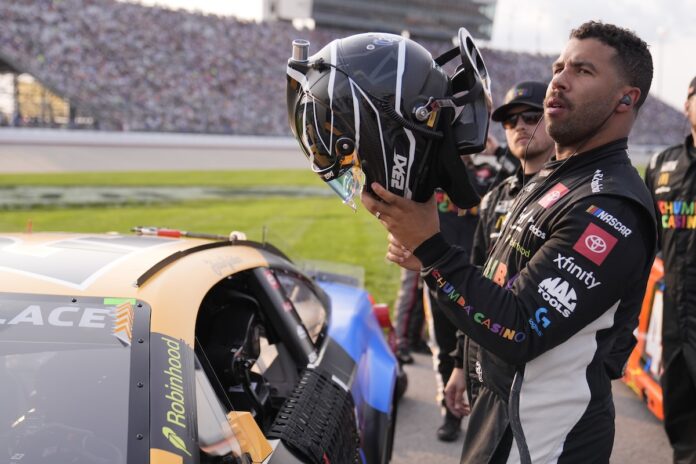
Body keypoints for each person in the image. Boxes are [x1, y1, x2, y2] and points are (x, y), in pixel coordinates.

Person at [363, 21, 657, 463]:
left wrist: (432, 248)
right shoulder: (548, 180)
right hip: (501, 412)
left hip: (547, 438)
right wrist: (430, 262)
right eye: (558, 67)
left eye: (582, 71)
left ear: (626, 99)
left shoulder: (611, 205)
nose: (559, 80)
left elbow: (519, 326)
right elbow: (497, 287)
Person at [444, 81, 556, 420]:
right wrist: (459, 364)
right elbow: (476, 283)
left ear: (553, 116)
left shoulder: (570, 193)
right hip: (487, 365)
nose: (519, 126)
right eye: (510, 121)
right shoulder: (495, 197)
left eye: (531, 117)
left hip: (542, 371)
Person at [430, 135, 518, 441]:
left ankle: (483, 411)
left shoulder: (489, 174)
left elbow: (524, 172)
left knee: (480, 345)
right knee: (444, 347)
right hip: (438, 275)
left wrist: (498, 149)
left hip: (479, 276)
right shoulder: (431, 174)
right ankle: (450, 412)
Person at [644, 75, 696, 464]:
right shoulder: (663, 164)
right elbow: (645, 237)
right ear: (687, 104)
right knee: (680, 407)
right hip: (675, 311)